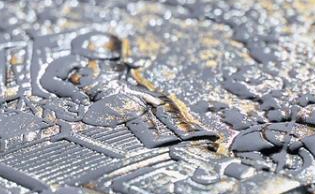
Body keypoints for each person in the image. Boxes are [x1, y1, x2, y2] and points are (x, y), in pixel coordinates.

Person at [39, 31, 209, 147]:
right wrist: (75, 93)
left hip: (124, 90)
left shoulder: (117, 64)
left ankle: (185, 130)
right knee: (131, 106)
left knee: (159, 99)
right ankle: (152, 138)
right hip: (101, 102)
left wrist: (143, 91)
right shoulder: (75, 60)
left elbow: (131, 81)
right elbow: (48, 80)